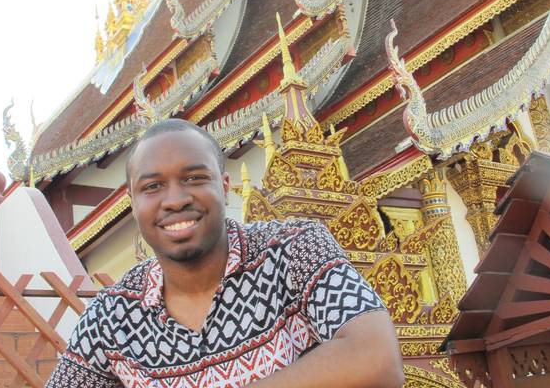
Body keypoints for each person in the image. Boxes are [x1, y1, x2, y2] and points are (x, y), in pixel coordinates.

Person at [45, 119, 404, 387]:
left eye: (194, 179)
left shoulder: (293, 250)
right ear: (134, 204)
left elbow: (376, 358)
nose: (175, 200)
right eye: (153, 187)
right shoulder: (112, 316)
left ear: (225, 185)